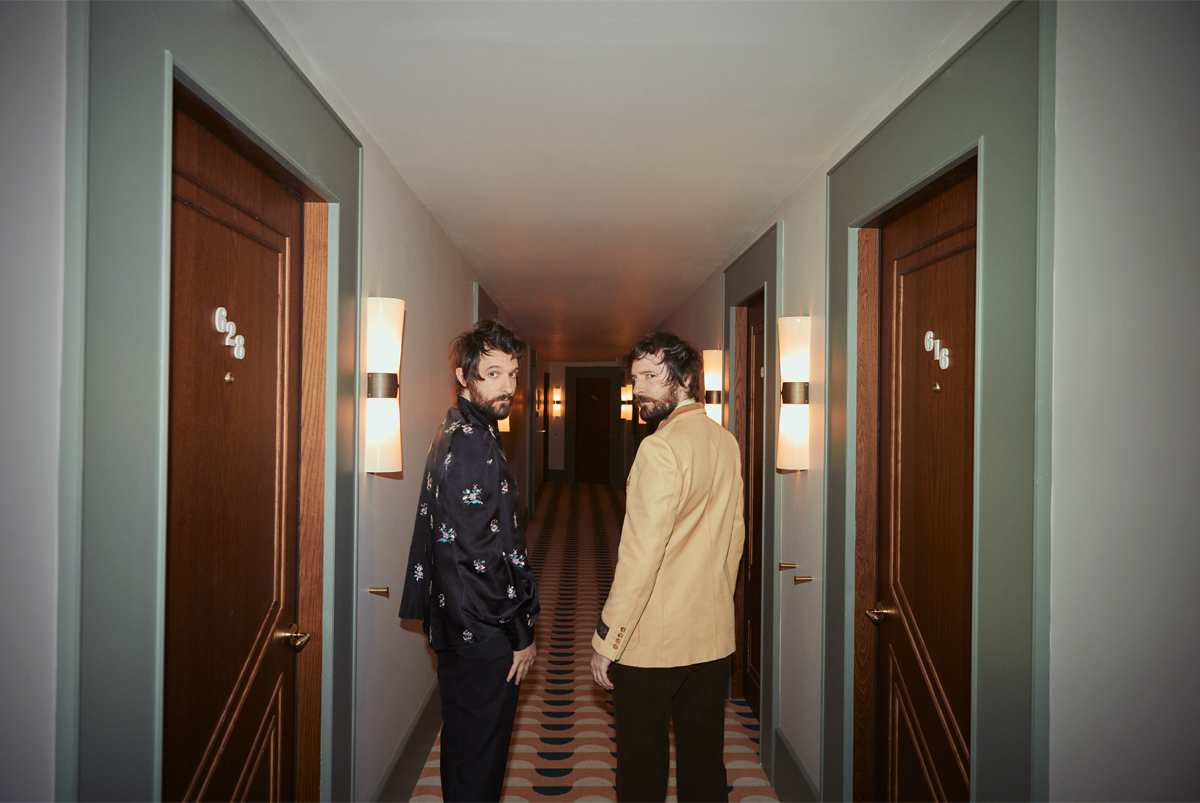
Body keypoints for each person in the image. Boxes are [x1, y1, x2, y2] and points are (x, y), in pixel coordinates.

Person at [590, 332, 745, 802]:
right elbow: (734, 541)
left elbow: (640, 558)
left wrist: (608, 641)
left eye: (651, 376)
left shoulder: (659, 449)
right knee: (704, 762)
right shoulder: (726, 441)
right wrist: (715, 605)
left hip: (651, 646)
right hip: (711, 640)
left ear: (686, 380)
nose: (638, 388)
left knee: (642, 768)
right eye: (635, 378)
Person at [399, 319, 539, 803]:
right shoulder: (474, 441)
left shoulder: (452, 428)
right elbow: (482, 553)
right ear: (464, 376)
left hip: (453, 619)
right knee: (482, 759)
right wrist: (519, 632)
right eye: (493, 374)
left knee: (461, 748)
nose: (508, 386)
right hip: (484, 626)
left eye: (513, 374)